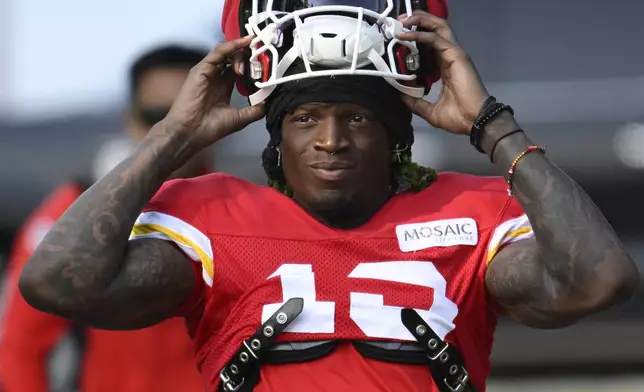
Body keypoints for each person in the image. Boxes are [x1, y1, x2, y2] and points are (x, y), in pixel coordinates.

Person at [17, 3, 639, 392]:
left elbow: (599, 279)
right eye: (306, 118)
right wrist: (171, 137)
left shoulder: (464, 214)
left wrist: (494, 126)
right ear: (277, 135)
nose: (332, 140)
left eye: (358, 119)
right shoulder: (211, 216)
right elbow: (57, 283)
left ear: (395, 133)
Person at [0, 44, 209, 392]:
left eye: (193, 113)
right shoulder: (67, 214)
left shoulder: (245, 207)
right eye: (157, 115)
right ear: (129, 117)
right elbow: (20, 347)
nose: (177, 131)